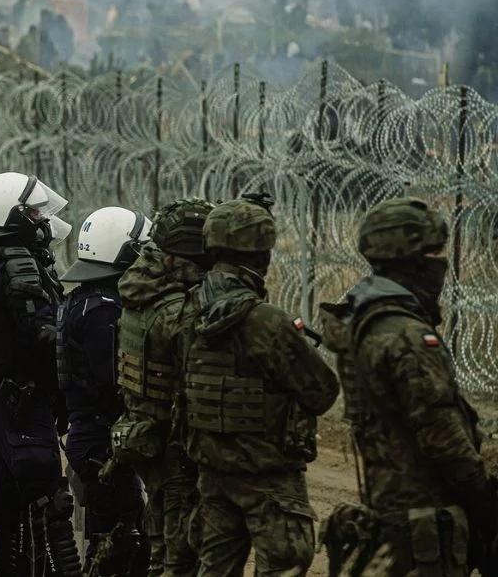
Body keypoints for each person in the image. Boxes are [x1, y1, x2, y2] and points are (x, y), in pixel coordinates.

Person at [321, 198, 498, 576]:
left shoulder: (363, 320)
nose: (441, 263)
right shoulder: (404, 334)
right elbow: (441, 436)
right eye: (434, 253)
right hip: (423, 522)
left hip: (389, 506)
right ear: (411, 259)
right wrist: (485, 502)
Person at [179, 194, 339, 576]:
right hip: (268, 476)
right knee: (284, 565)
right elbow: (322, 392)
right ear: (261, 256)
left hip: (212, 471)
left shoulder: (186, 310)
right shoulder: (265, 321)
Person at [0, 171, 81, 575]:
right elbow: (39, 329)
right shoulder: (14, 258)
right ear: (10, 215)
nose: (40, 220)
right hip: (19, 395)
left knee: (2, 496)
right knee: (50, 497)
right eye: (31, 211)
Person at [113, 198, 213, 577]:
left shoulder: (141, 294)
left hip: (146, 433)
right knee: (181, 555)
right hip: (176, 446)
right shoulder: (177, 312)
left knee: (162, 545)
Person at [57, 206, 152, 576]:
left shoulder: (82, 300)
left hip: (89, 435)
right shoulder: (103, 311)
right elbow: (111, 383)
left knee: (111, 534)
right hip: (100, 440)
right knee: (118, 539)